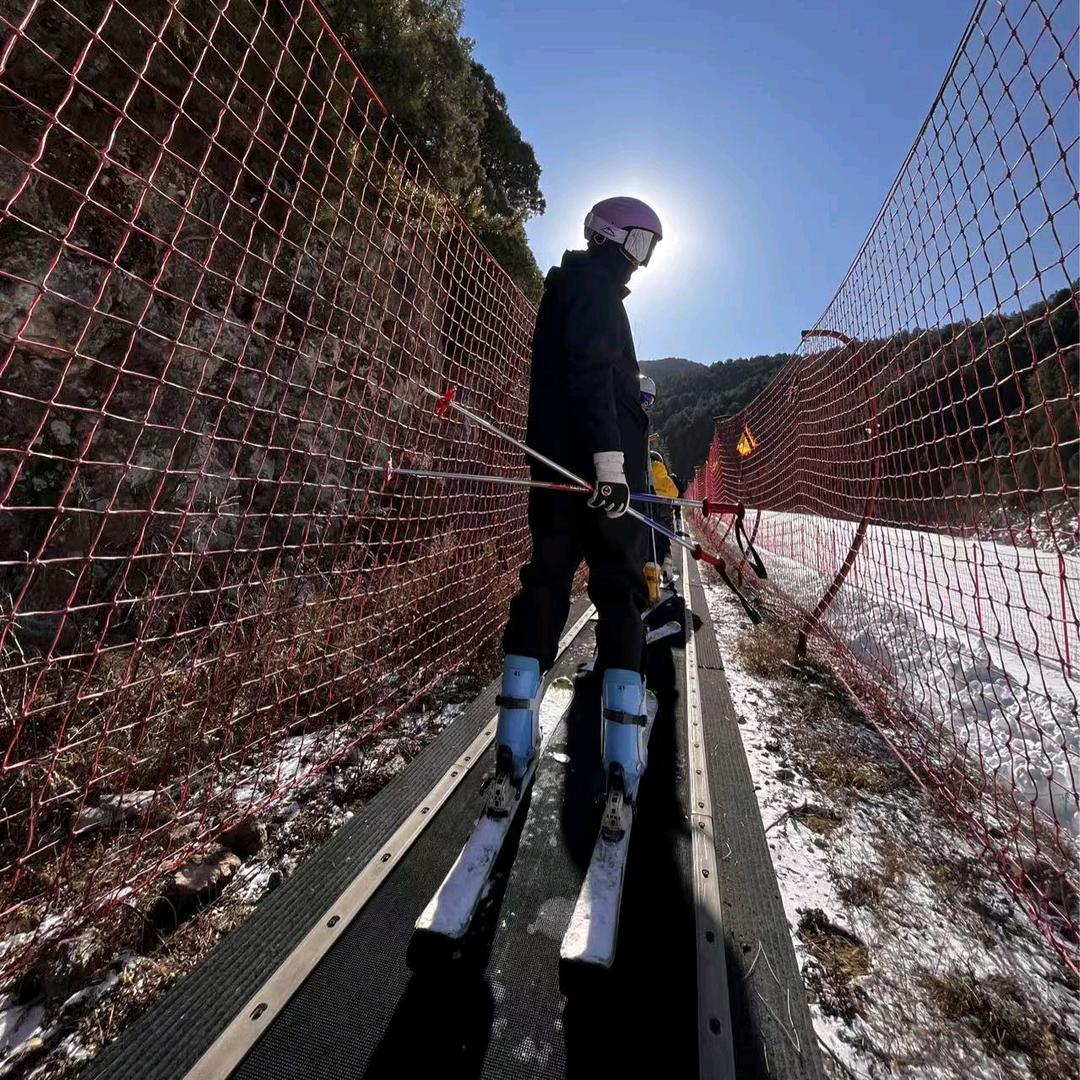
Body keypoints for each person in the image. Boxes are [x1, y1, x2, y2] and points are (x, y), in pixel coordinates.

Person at [494, 196, 663, 813]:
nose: (641, 261)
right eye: (641, 245)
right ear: (614, 236)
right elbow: (593, 376)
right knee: (620, 589)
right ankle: (621, 755)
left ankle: (513, 744)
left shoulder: (569, 288)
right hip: (598, 477)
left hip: (557, 469)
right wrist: (613, 465)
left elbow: (581, 378)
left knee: (545, 582)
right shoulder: (595, 289)